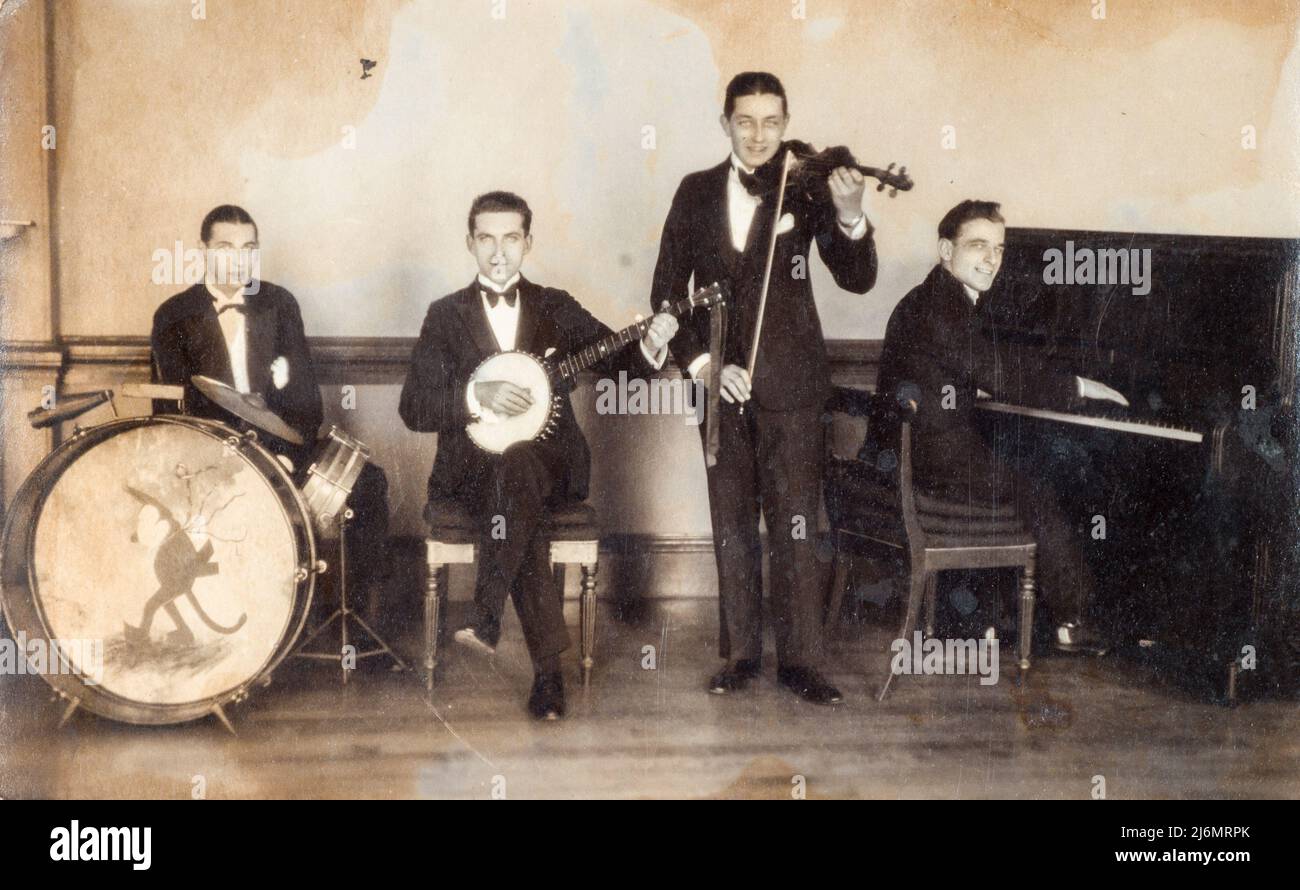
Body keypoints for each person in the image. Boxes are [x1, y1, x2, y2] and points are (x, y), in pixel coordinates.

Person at [400, 191, 678, 720]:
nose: (499, 252)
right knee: (515, 498)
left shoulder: (555, 306)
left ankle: (486, 615)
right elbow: (412, 407)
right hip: (470, 473)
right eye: (486, 238)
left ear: (528, 242)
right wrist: (472, 396)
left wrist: (651, 344)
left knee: (521, 468)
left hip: (552, 465)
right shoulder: (445, 316)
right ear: (470, 244)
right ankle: (548, 677)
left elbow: (620, 363)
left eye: (510, 238)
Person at [649, 72, 879, 704]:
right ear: (725, 122)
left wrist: (852, 216)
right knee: (731, 522)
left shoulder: (804, 190)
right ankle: (742, 654)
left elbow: (856, 279)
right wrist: (703, 365)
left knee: (798, 521)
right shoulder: (694, 192)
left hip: (795, 385)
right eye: (745, 121)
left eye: (771, 122)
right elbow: (667, 292)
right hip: (719, 385)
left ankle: (803, 661)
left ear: (786, 122)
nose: (759, 135)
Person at [870, 199, 1126, 653]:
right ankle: (1071, 622)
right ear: (946, 250)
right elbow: (1001, 371)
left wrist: (978, 388)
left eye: (1000, 248)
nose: (992, 259)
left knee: (1032, 472)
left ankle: (989, 618)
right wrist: (1082, 387)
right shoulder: (943, 307)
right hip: (931, 465)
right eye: (978, 246)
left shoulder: (930, 298)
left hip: (911, 454)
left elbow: (963, 369)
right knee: (1041, 488)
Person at [150, 204, 391, 621]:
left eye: (248, 248)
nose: (238, 259)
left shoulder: (279, 304)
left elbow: (306, 404)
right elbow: (170, 416)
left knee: (369, 482)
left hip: (281, 450)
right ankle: (259, 622)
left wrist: (283, 453)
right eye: (225, 247)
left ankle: (345, 620)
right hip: (211, 464)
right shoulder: (173, 315)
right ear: (203, 251)